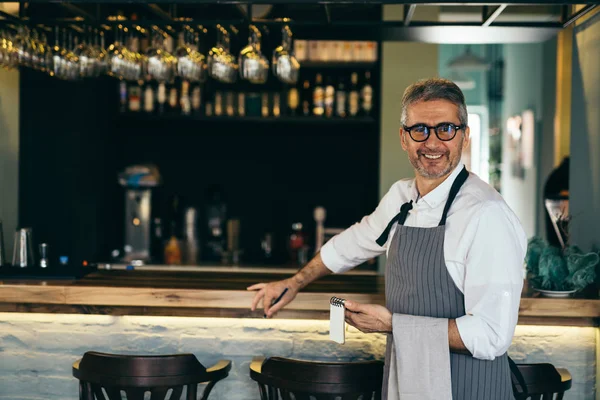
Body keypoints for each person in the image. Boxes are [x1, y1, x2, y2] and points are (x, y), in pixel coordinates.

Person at [248, 78, 527, 399]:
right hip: (409, 381)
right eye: (419, 129)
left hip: (464, 387)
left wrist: (393, 324)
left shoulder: (486, 214)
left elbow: (492, 335)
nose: (432, 142)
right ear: (403, 138)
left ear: (464, 136)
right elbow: (354, 242)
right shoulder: (402, 196)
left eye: (446, 129)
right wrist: (295, 282)